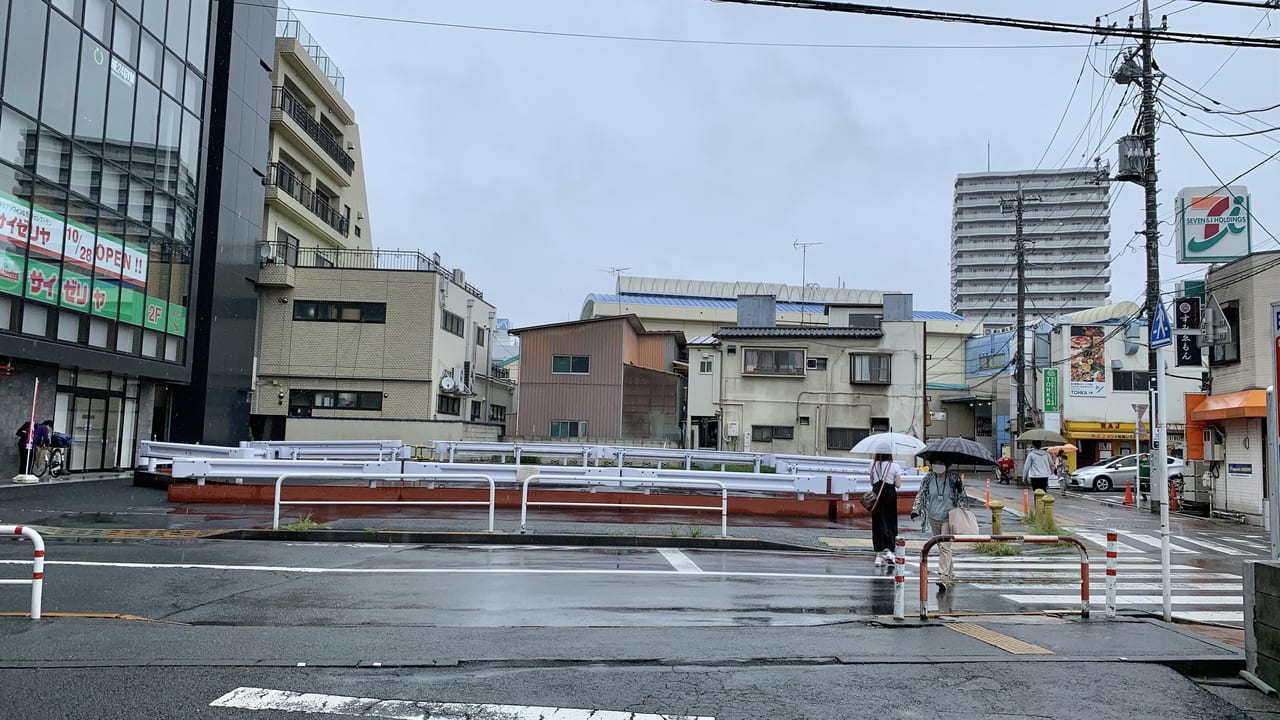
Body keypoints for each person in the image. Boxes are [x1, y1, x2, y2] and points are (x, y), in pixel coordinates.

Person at [911, 463, 968, 592]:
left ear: (946, 465)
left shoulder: (954, 479)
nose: (938, 466)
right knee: (941, 546)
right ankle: (950, 573)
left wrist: (960, 490)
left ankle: (942, 576)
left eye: (941, 463)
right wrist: (916, 510)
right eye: (935, 463)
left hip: (949, 516)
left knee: (945, 546)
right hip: (933, 516)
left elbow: (962, 497)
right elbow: (921, 494)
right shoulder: (928, 478)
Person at [868, 452, 904, 568]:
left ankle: (878, 555)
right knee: (890, 522)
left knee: (877, 524)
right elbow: (898, 484)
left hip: (876, 495)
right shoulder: (894, 466)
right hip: (889, 496)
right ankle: (890, 551)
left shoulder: (873, 465)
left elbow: (871, 482)